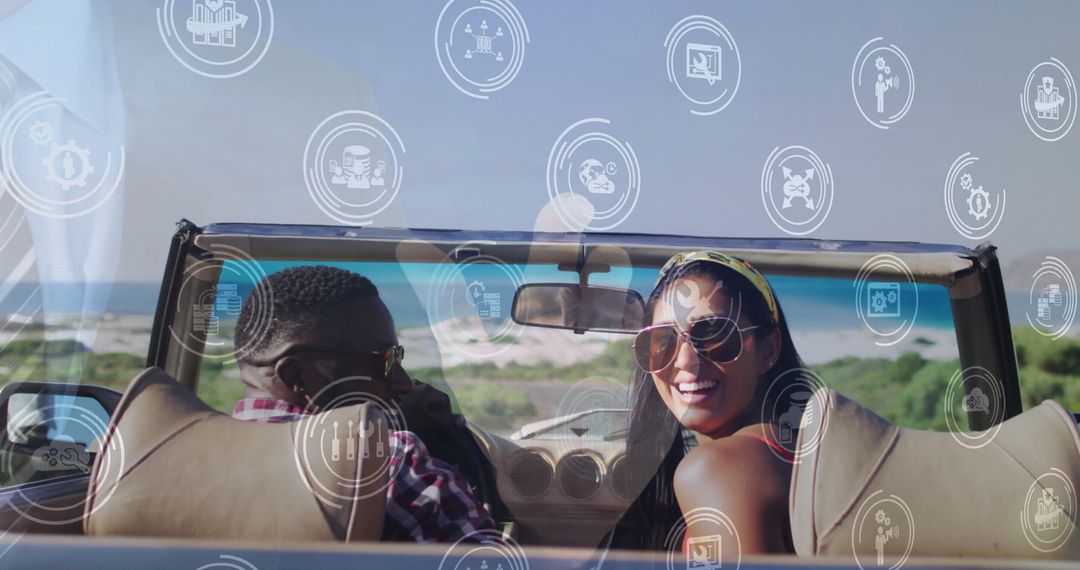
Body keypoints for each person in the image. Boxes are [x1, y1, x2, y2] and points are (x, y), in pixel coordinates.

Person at [231, 264, 495, 543]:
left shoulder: (190, 458)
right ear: (296, 375)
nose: (403, 383)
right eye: (383, 360)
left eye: (397, 357)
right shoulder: (381, 459)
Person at [621, 250, 806, 554]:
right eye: (663, 341)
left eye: (715, 335)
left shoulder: (714, 469)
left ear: (768, 350)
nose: (685, 361)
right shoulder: (789, 449)